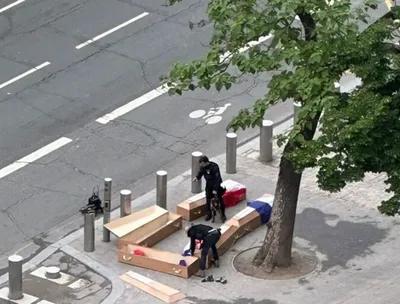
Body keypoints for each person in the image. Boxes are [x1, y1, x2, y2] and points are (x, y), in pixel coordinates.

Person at [193, 156, 226, 221]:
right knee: (208, 199)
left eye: (202, 164)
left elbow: (217, 179)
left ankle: (223, 214)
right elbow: (200, 172)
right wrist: (197, 177)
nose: (202, 166)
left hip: (216, 185)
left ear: (206, 162)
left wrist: (215, 189)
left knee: (219, 199)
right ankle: (208, 214)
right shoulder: (203, 167)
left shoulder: (214, 167)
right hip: (209, 185)